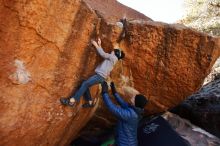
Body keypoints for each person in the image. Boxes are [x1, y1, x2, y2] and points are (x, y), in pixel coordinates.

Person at [60, 38, 125, 108]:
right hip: (100, 77)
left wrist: (96, 45)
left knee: (85, 84)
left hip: (100, 76)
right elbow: (105, 54)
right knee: (85, 83)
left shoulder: (113, 58)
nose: (113, 51)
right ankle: (89, 102)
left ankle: (72, 101)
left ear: (116, 54)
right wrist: (99, 45)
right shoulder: (114, 58)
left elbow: (102, 54)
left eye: (114, 51)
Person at [101, 82, 148, 146]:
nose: (133, 96)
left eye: (134, 97)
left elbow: (113, 108)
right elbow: (123, 103)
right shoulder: (135, 110)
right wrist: (114, 92)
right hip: (127, 142)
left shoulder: (131, 115)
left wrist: (104, 93)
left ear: (135, 102)